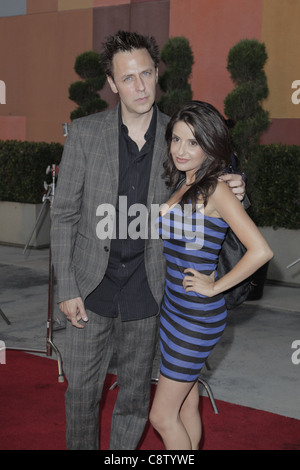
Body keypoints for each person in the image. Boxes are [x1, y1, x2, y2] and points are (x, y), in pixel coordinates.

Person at [50, 32, 246, 450]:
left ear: (157, 74)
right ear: (111, 83)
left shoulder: (178, 137)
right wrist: (66, 288)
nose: (139, 87)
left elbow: (219, 172)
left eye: (146, 74)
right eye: (128, 78)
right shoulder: (85, 134)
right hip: (89, 287)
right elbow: (64, 215)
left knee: (136, 400)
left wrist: (237, 185)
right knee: (82, 396)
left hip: (149, 290)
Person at [149, 100, 273, 450]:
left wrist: (216, 285)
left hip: (197, 317)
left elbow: (261, 250)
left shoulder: (216, 188)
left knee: (160, 416)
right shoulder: (184, 184)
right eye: (176, 139)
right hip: (173, 310)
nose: (181, 150)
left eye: (193, 142)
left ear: (210, 145)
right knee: (186, 402)